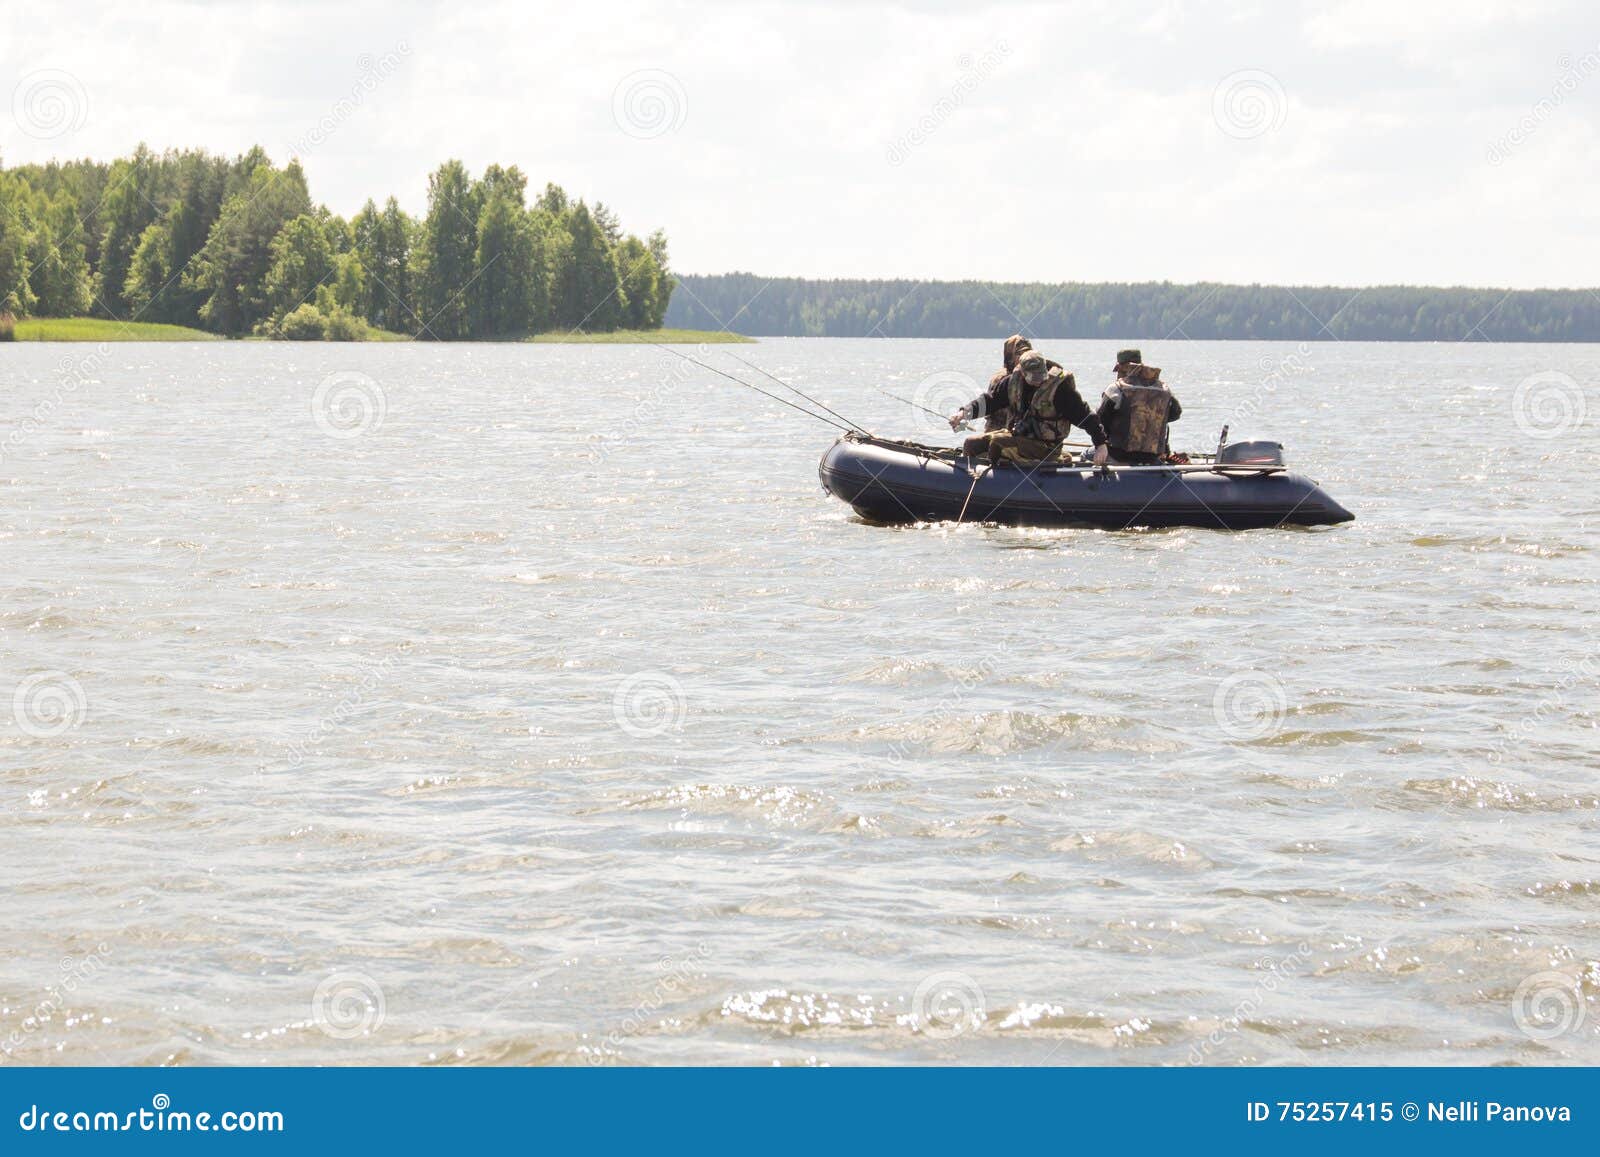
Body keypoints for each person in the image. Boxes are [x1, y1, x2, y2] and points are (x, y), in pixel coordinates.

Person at [950, 350, 1108, 467]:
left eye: (1042, 375)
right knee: (971, 443)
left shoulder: (1059, 390)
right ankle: (970, 478)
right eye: (1034, 377)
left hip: (1046, 447)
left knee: (998, 443)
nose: (1039, 381)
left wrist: (1100, 444)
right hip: (1018, 436)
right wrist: (964, 413)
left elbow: (1084, 415)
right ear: (1023, 373)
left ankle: (996, 482)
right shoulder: (1012, 382)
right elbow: (990, 401)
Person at [1095, 348, 1181, 465]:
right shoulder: (1163, 388)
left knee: (1086, 454)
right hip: (1153, 456)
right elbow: (1176, 413)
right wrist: (1151, 418)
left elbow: (1099, 420)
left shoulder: (1116, 388)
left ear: (1120, 367)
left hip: (1119, 455)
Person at [977, 335, 1060, 431]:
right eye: (1019, 353)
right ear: (1009, 357)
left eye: (1027, 351)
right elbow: (991, 402)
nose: (1023, 355)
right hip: (999, 428)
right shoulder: (1002, 380)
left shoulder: (1041, 375)